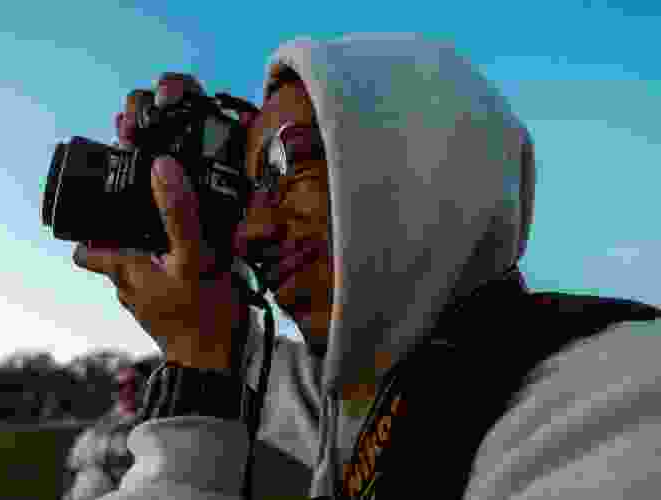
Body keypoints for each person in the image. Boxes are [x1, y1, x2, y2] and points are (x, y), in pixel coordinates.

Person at [73, 33, 661, 499]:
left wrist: (195, 375)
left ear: (416, 152)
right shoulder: (370, 388)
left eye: (289, 160)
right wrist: (193, 272)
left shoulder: (612, 400)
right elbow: (248, 360)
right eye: (250, 190)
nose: (252, 231)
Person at [62, 358, 160, 500]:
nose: (127, 391)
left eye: (134, 384)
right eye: (120, 386)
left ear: (149, 387)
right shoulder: (98, 428)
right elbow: (72, 468)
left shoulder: (158, 429)